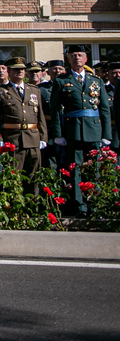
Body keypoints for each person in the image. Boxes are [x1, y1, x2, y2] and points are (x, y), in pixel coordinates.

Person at [48, 44, 112, 217]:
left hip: (94, 130)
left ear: (86, 59)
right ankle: (79, 206)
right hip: (72, 130)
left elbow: (104, 109)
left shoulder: (96, 81)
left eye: (80, 55)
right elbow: (55, 110)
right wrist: (58, 134)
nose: (77, 58)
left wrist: (106, 135)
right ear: (68, 59)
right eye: (73, 55)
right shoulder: (61, 81)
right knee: (75, 169)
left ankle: (94, 205)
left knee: (94, 169)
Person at [0, 57, 47, 194]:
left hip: (33, 138)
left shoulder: (34, 91)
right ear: (9, 71)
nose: (20, 72)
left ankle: (30, 206)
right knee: (13, 175)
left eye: (22, 69)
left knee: (32, 176)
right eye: (16, 69)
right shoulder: (0, 91)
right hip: (13, 139)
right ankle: (14, 207)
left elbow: (40, 116)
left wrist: (43, 137)